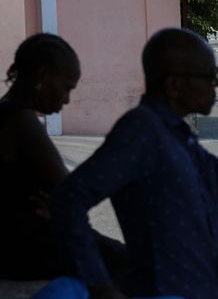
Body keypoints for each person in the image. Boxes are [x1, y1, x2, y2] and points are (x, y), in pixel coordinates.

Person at [50, 28, 218, 299]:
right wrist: (101, 286)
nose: (215, 87)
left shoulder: (178, 138)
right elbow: (69, 199)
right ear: (174, 86)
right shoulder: (142, 131)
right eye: (208, 79)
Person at [0, 33, 126, 281]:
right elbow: (69, 195)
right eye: (66, 87)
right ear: (43, 76)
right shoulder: (19, 120)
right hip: (28, 252)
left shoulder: (9, 112)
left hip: (21, 245)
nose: (67, 99)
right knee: (131, 263)